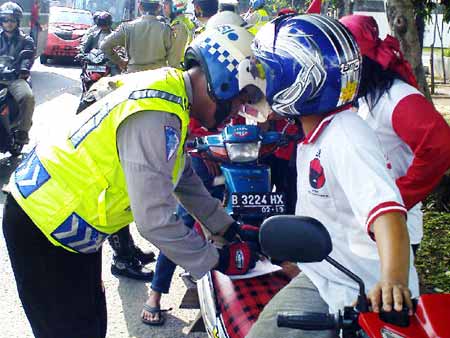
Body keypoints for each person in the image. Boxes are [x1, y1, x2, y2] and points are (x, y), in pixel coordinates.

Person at [3, 24, 260, 338]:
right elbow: (154, 221)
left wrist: (226, 227)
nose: (234, 114)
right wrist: (217, 260)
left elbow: (183, 177)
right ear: (222, 83)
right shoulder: (158, 113)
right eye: (237, 101)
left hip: (63, 224)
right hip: (42, 224)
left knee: (90, 325)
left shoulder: (171, 94)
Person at [238, 14, 419, 338]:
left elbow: (389, 215)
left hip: (363, 293)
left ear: (296, 81)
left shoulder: (345, 135)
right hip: (328, 278)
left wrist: (392, 281)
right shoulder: (317, 135)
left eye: (268, 73)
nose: (260, 84)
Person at [340, 14, 450, 254]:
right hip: (372, 229)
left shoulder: (398, 98)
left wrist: (398, 197)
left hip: (395, 231)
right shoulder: (369, 98)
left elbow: (440, 147)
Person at [100, 0, 176, 73]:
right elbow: (172, 56)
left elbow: (104, 45)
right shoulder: (166, 29)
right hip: (158, 77)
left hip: (133, 76)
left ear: (140, 7)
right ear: (159, 7)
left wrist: (120, 62)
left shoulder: (127, 27)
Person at [0, 2, 35, 146]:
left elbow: (28, 57)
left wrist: (23, 69)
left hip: (15, 78)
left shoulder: (26, 40)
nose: (8, 23)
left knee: (27, 97)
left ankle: (22, 131)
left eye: (12, 20)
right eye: (5, 20)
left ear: (17, 22)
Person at [163, 0, 195, 68]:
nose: (163, 7)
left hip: (179, 69)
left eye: (166, 4)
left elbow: (175, 57)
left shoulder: (178, 26)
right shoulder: (184, 21)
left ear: (175, 6)